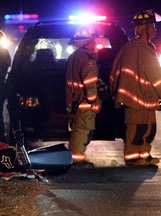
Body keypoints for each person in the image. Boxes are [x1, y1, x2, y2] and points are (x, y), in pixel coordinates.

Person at [109, 9, 161, 166]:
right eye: (153, 26)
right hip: (136, 99)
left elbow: (114, 73)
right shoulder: (141, 49)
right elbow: (157, 78)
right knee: (137, 129)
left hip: (144, 99)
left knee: (147, 129)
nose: (155, 29)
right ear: (146, 27)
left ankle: (145, 155)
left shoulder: (136, 47)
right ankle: (133, 158)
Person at [65, 30, 102, 168]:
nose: (95, 44)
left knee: (77, 130)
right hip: (85, 103)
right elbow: (90, 82)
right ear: (88, 42)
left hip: (74, 102)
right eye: (94, 41)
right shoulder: (88, 59)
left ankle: (74, 158)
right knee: (83, 131)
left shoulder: (74, 57)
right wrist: (93, 101)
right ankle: (77, 160)